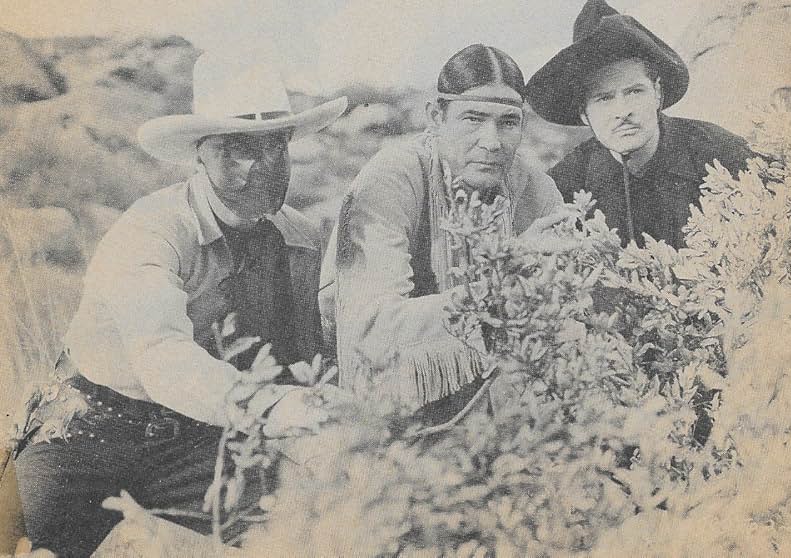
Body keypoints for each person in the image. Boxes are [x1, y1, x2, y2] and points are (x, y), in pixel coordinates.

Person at [12, 52, 347, 557]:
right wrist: (272, 407)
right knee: (18, 545)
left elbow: (304, 350)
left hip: (200, 438)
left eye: (274, 148)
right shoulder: (151, 231)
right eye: (234, 151)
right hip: (90, 428)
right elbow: (160, 357)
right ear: (200, 156)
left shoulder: (297, 239)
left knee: (318, 531)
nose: (258, 168)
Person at [320, 44, 565, 425]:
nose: (492, 141)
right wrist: (507, 280)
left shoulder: (534, 187)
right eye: (473, 118)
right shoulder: (391, 178)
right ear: (437, 116)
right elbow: (372, 331)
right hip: (398, 405)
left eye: (508, 122)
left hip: (502, 401)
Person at [526, 0, 755, 249]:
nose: (623, 112)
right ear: (583, 113)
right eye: (604, 99)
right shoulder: (566, 183)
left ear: (657, 92)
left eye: (635, 92)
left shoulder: (720, 153)